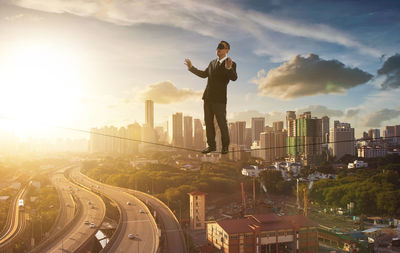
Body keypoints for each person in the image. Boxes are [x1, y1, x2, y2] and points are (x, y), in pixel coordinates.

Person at [184, 41, 237, 154]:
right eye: (218, 46)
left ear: (227, 50)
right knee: (208, 123)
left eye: (222, 47)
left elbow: (234, 78)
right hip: (207, 98)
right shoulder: (212, 63)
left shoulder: (230, 63)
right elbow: (204, 74)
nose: (219, 49)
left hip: (219, 100)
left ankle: (225, 147)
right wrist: (191, 68)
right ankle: (211, 146)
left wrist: (229, 68)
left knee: (222, 123)